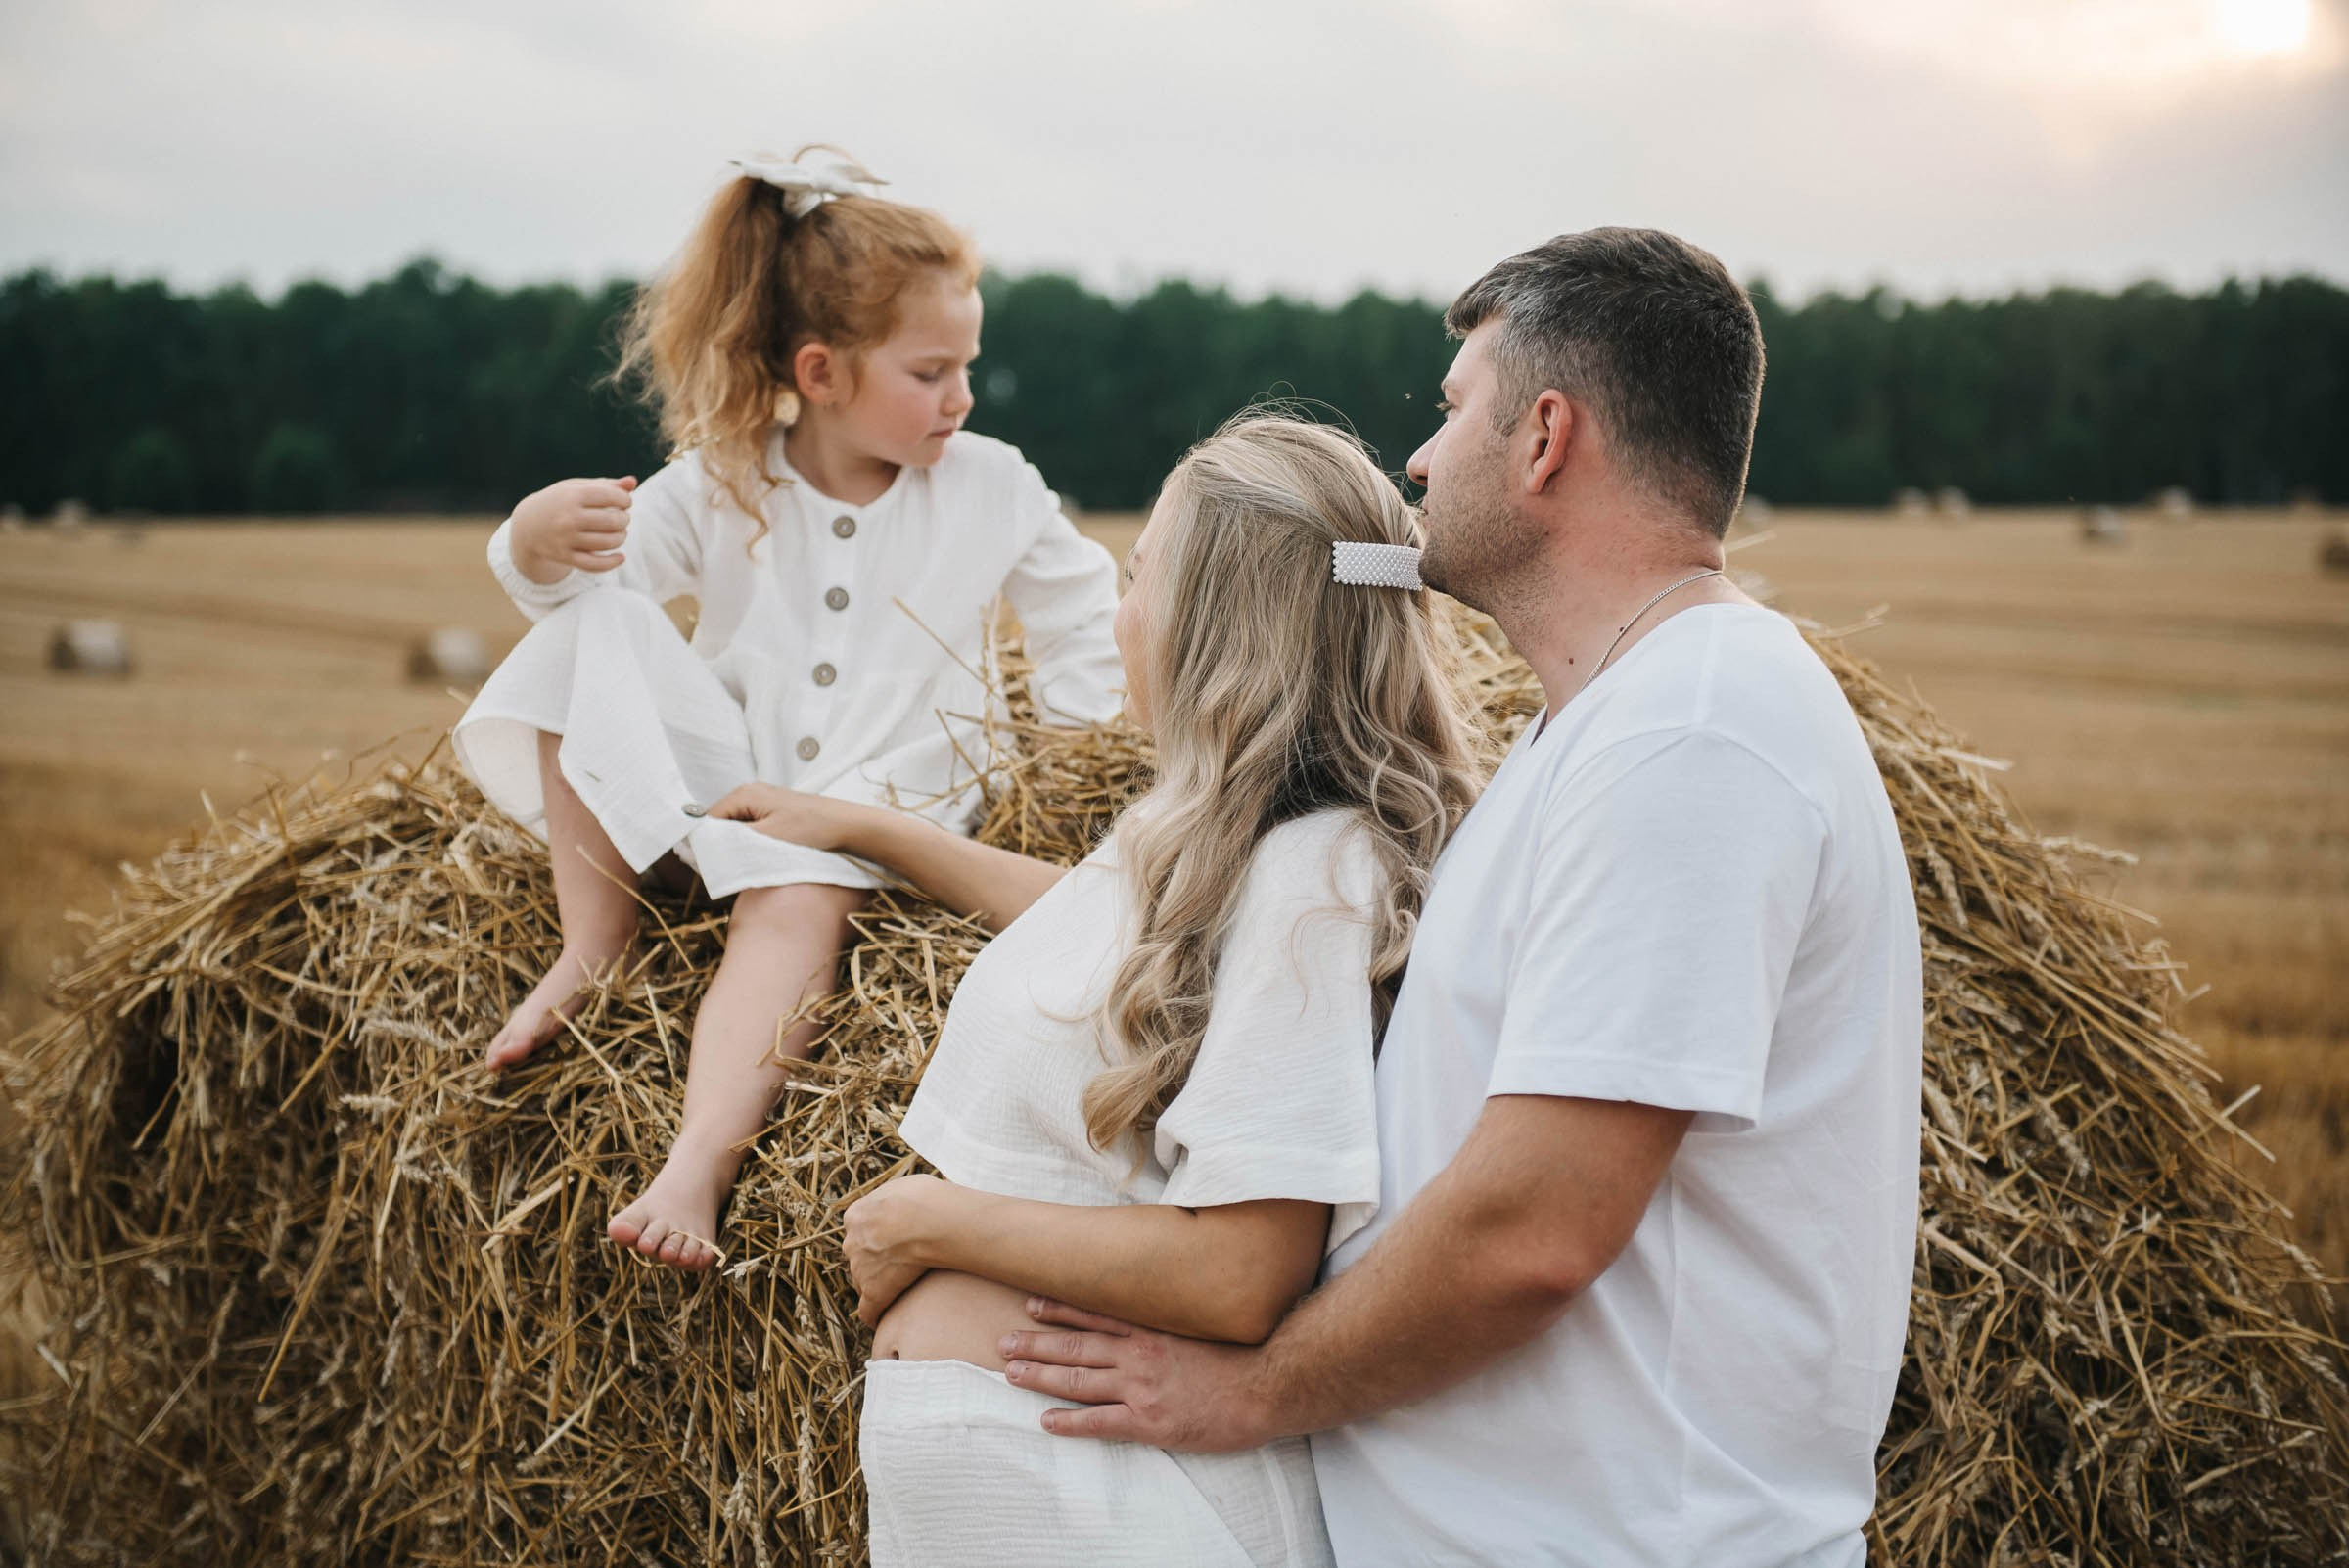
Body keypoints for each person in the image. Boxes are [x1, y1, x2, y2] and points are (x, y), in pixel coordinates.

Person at [998, 229, 1926, 1567]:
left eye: (1450, 411)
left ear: (1545, 435)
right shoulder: (1601, 729)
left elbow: (1533, 1229)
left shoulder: (1692, 734)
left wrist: (1250, 1393)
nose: (1420, 463)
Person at [708, 413, 1484, 1567]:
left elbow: (1242, 1272)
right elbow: (1112, 929)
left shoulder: (1311, 879)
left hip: (1141, 1513)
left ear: (1212, 626)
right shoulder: (1247, 843)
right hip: (1069, 1498)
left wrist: (928, 1220)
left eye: (1137, 580)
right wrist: (874, 831)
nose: (1119, 618)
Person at [450, 148, 1124, 1272]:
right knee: (586, 633)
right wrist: (529, 541)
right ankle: (590, 943)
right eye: (929, 371)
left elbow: (1079, 618)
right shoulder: (720, 480)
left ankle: (697, 1165)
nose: (961, 396)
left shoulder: (991, 481)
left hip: (886, 803)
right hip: (732, 784)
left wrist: (1078, 758)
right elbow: (579, 593)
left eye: (969, 365)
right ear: (819, 372)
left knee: (798, 890)